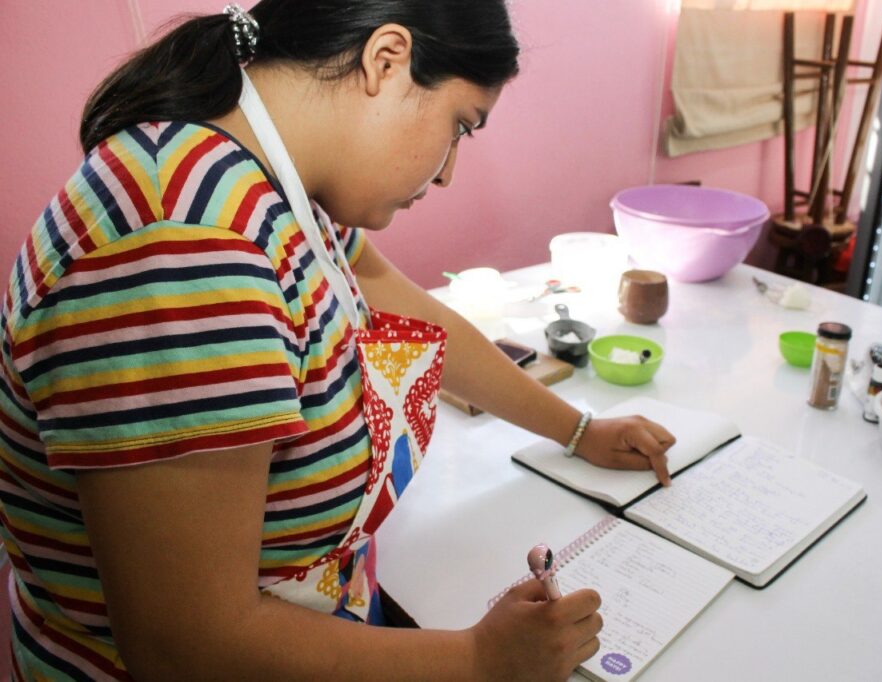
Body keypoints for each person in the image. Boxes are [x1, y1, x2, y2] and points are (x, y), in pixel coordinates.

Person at [0, 1, 676, 679]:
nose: (446, 174)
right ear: (386, 60)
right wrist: (477, 660)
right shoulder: (182, 247)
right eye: (459, 127)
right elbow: (188, 642)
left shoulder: (269, 179)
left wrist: (578, 427)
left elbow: (410, 309)